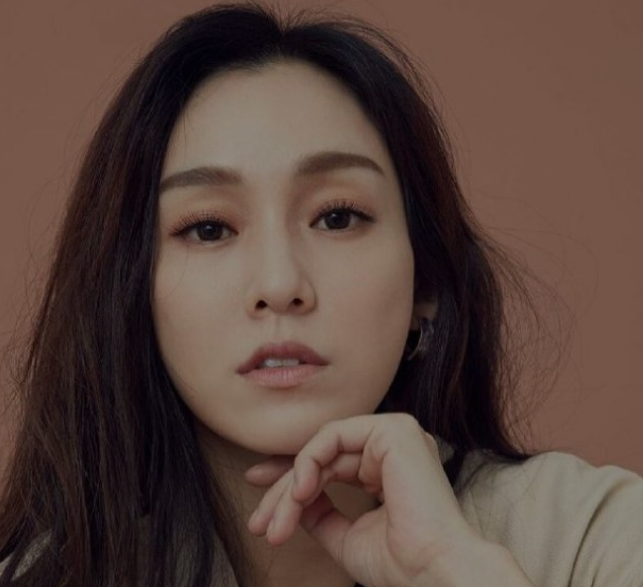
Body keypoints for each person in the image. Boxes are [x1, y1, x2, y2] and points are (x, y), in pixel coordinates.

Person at [0, 2, 641, 586]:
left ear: (426, 281)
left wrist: (452, 570)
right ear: (134, 291)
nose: (280, 286)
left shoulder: (595, 539)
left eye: (337, 217)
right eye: (209, 228)